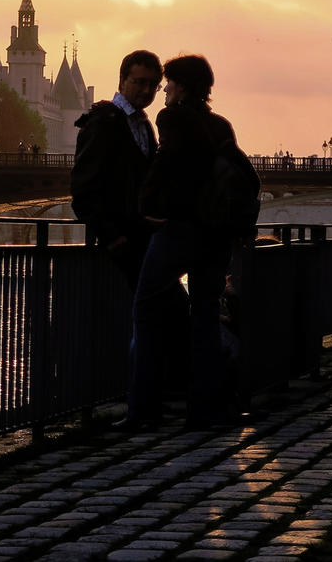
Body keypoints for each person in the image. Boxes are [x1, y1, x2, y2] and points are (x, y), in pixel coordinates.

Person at [132, 54, 240, 431]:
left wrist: (146, 203)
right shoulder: (221, 125)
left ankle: (143, 409)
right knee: (207, 318)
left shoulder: (173, 117)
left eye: (167, 85)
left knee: (145, 309)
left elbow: (168, 163)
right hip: (217, 234)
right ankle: (205, 408)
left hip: (180, 229)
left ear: (181, 87)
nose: (162, 91)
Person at [70, 49, 163, 289]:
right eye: (140, 82)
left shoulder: (142, 124)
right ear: (122, 81)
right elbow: (83, 189)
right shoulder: (102, 122)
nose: (146, 90)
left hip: (138, 243)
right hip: (123, 247)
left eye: (153, 85)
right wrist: (112, 237)